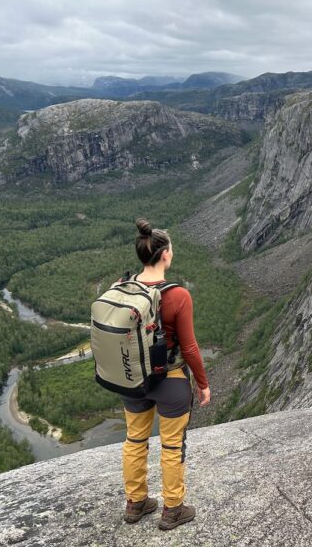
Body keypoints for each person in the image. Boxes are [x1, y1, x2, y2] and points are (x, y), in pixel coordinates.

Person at [121, 218, 211, 530]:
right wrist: (203, 385)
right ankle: (172, 509)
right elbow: (189, 347)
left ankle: (135, 503)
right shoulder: (178, 296)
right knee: (172, 446)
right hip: (170, 382)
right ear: (166, 256)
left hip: (132, 380)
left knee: (135, 439)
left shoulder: (122, 289)